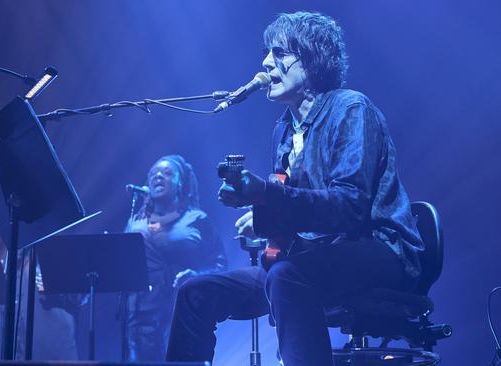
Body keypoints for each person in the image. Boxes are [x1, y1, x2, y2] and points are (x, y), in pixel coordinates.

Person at [165, 12, 424, 366]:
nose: (266, 62)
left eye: (280, 53)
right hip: (307, 257)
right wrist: (258, 213)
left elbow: (349, 208)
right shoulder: (284, 129)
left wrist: (265, 195)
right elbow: (294, 215)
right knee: (195, 293)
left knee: (288, 276)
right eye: (266, 53)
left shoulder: (350, 108)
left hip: (379, 249)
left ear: (313, 59)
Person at [124, 154, 226, 362]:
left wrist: (197, 277)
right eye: (153, 174)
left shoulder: (197, 220)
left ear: (181, 182)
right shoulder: (136, 222)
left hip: (183, 312)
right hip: (142, 316)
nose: (158, 177)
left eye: (167, 173)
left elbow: (221, 265)